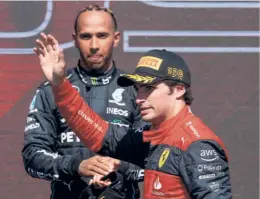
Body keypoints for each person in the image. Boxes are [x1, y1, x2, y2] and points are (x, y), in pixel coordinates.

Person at [35, 30, 233, 198]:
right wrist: (59, 83)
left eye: (148, 88)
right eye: (138, 89)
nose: (139, 98)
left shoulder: (197, 145)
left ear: (179, 89)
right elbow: (99, 134)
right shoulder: (154, 136)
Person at [22, 4, 145, 199]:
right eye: (86, 36)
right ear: (75, 40)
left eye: (102, 35)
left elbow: (152, 157)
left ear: (116, 39)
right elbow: (32, 156)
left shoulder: (137, 90)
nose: (94, 45)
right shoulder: (50, 89)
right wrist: (76, 166)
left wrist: (115, 169)